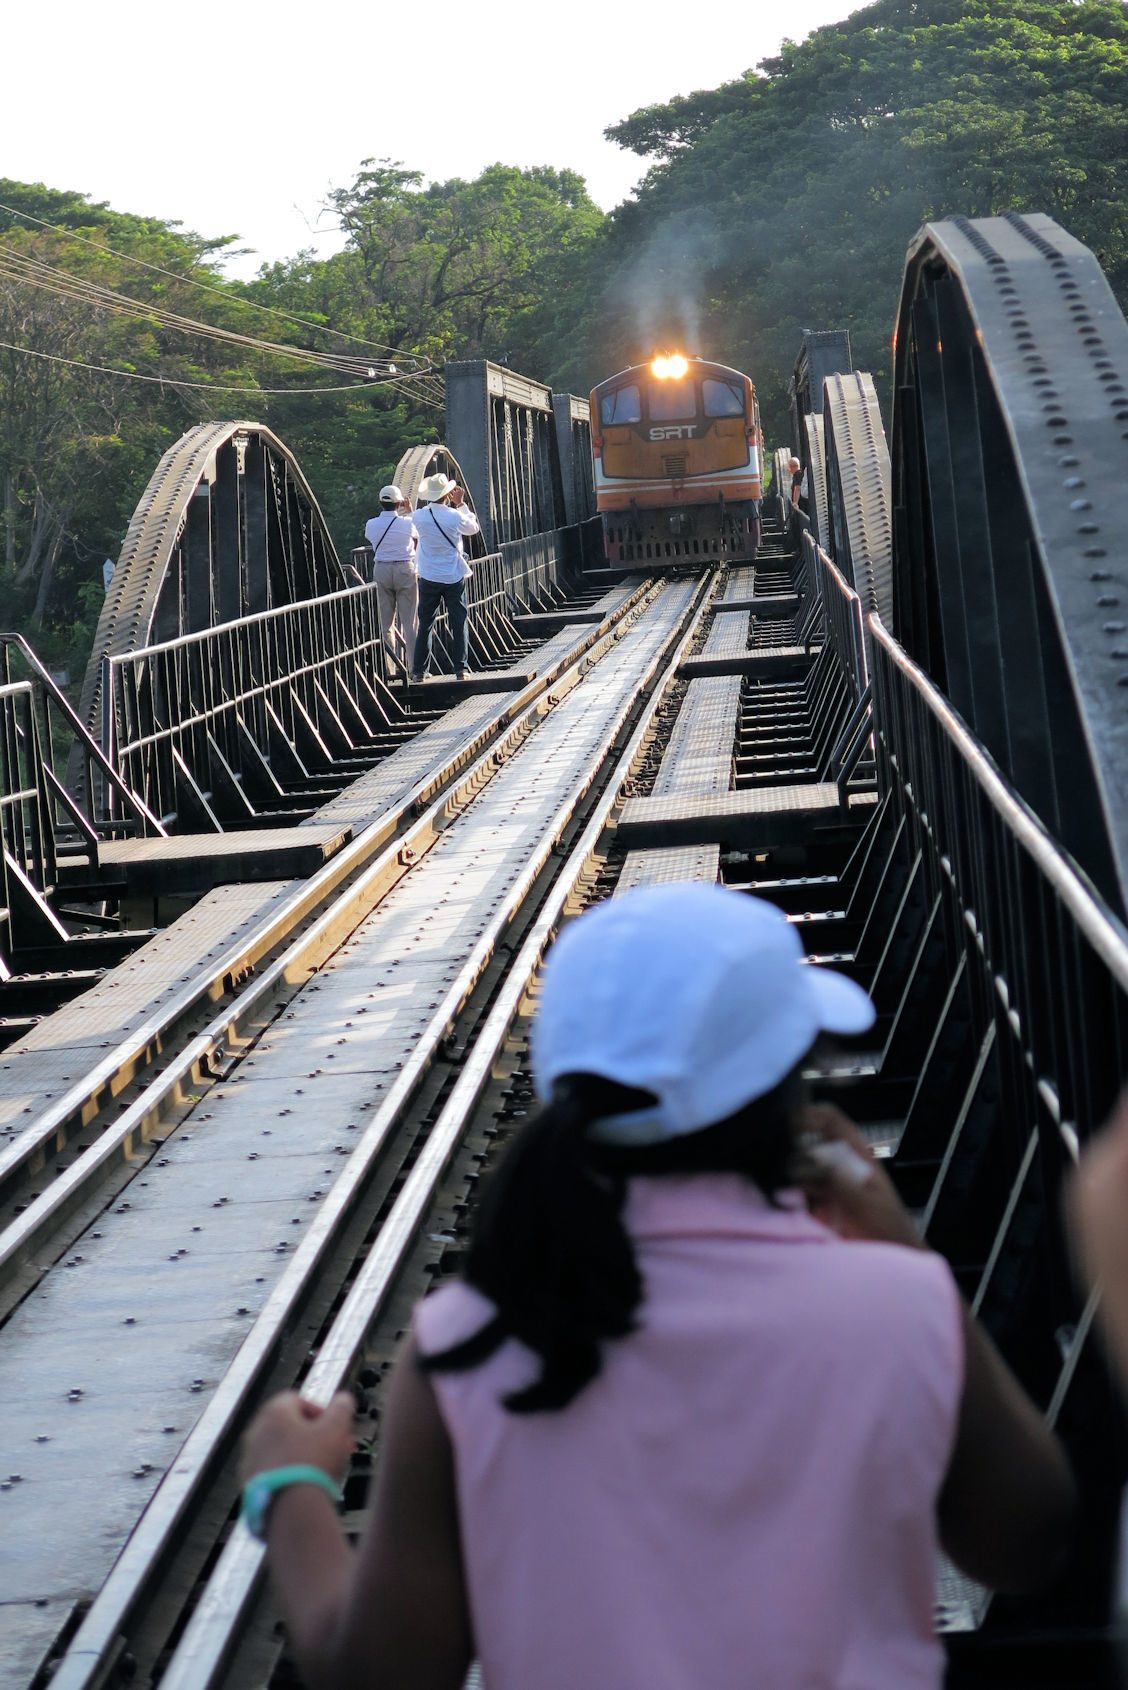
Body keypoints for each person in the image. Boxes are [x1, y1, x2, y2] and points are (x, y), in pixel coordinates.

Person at [241, 885, 1075, 1690]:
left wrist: (291, 1486)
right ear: (793, 1092)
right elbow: (1026, 1542)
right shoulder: (893, 1304)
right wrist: (901, 1246)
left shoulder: (468, 1342)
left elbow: (385, 1669)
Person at [410, 472, 480, 683]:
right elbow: (473, 528)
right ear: (448, 494)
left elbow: (411, 530)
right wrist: (461, 504)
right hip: (453, 575)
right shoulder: (454, 515)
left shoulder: (419, 516)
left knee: (426, 623)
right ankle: (461, 669)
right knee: (459, 622)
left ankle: (420, 671)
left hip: (428, 576)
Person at [364, 485, 418, 669]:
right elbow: (418, 533)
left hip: (382, 569)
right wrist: (410, 512)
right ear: (399, 503)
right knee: (410, 621)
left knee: (385, 622)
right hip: (405, 569)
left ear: (380, 503)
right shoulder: (408, 522)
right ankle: (414, 668)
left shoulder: (371, 524)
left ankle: (391, 668)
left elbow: (370, 538)